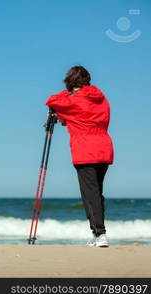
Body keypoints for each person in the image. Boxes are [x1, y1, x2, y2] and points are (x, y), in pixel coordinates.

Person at [45, 65, 114, 247]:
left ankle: (100, 233)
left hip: (85, 151)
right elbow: (84, 117)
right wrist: (65, 119)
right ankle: (97, 232)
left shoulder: (74, 100)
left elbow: (51, 101)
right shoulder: (101, 99)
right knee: (96, 193)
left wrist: (68, 93)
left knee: (90, 194)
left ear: (70, 83)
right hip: (104, 148)